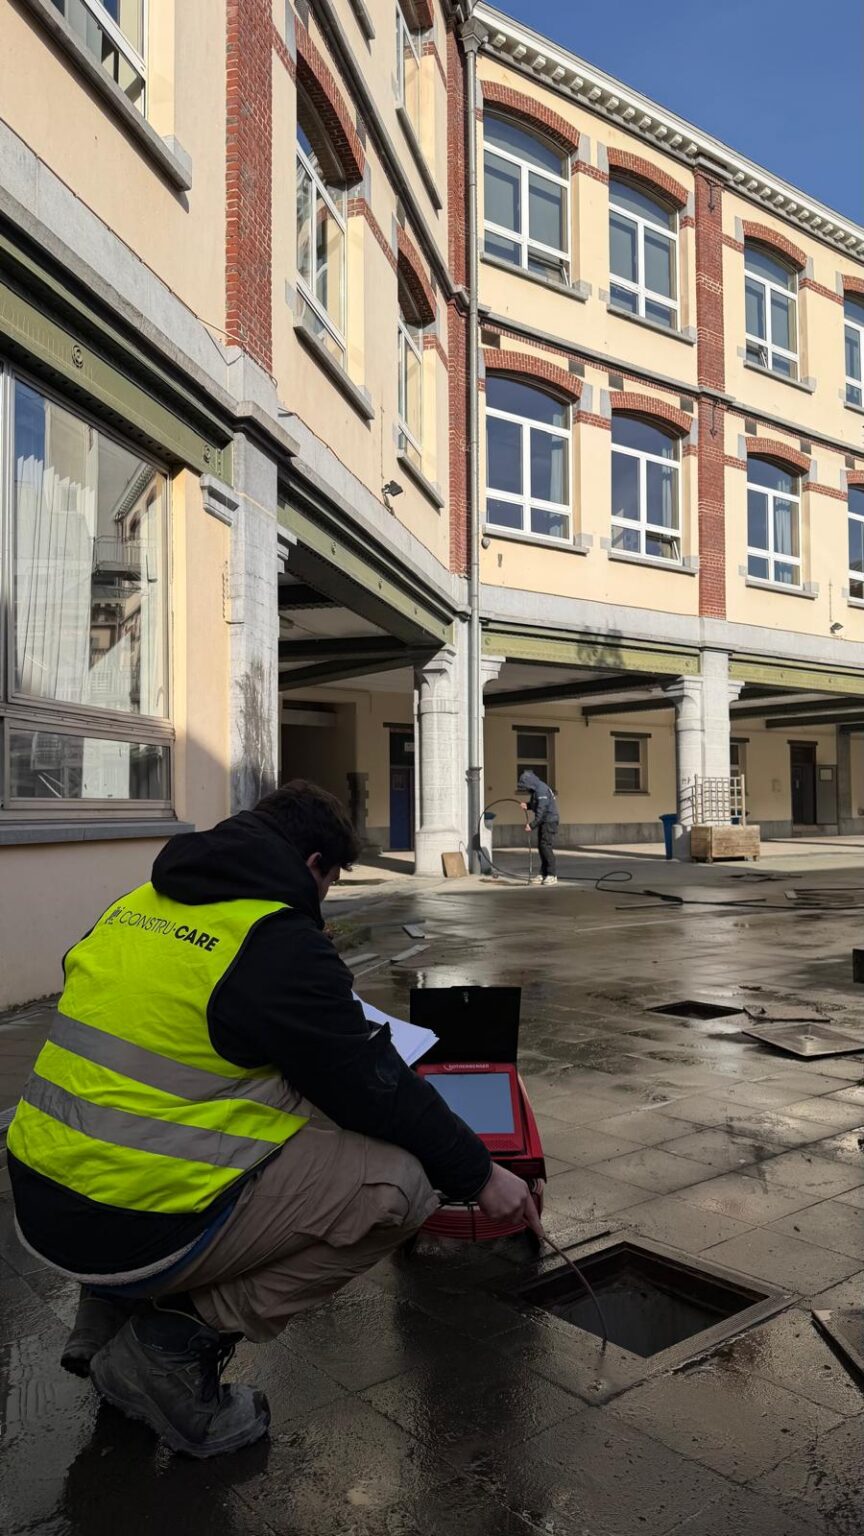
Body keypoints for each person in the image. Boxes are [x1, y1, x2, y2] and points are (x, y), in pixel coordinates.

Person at [7, 780, 542, 1458]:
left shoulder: (136, 903)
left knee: (249, 1099)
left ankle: (106, 1311)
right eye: (331, 881)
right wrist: (479, 1174)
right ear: (314, 865)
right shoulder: (271, 939)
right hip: (130, 1225)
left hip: (42, 1195)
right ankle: (166, 1349)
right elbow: (372, 1086)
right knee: (402, 1185)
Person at [517, 770, 560, 887]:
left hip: (549, 822)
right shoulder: (537, 789)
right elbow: (537, 804)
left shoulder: (541, 790)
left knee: (546, 846)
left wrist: (532, 825)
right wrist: (528, 805)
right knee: (542, 847)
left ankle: (551, 874)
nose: (526, 789)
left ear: (529, 783)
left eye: (525, 787)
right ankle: (543, 873)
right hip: (545, 821)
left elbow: (542, 811)